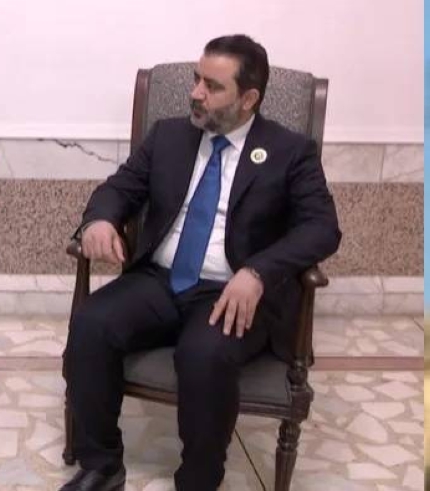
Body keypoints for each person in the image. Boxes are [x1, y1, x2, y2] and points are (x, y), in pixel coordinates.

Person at [61, 35, 341, 491]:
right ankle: (102, 466)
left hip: (231, 292)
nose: (195, 93)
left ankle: (198, 481)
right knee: (91, 324)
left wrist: (258, 272)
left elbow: (322, 228)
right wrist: (101, 220)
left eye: (212, 86)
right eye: (197, 79)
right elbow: (119, 188)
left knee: (203, 354)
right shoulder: (169, 136)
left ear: (248, 99)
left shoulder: (290, 151)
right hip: (159, 279)